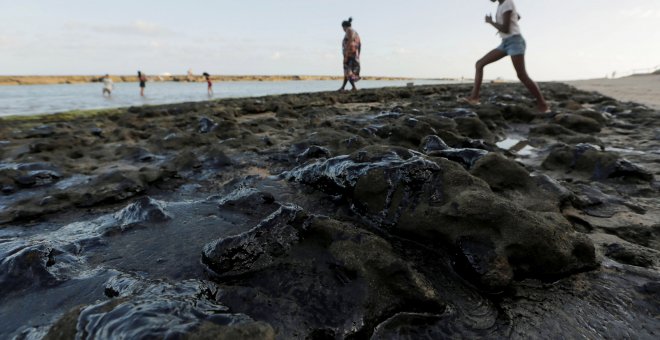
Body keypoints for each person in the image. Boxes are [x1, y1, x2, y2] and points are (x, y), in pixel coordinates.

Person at [461, 0, 549, 113]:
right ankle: (474, 98)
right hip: (505, 43)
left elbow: (506, 29)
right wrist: (512, 21)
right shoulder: (501, 5)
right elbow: (517, 16)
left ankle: (543, 105)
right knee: (479, 64)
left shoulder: (507, 2)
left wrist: (490, 21)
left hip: (515, 42)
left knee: (522, 75)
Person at [339, 17, 361, 92]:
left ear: (344, 26)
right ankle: (343, 87)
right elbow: (360, 44)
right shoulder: (356, 33)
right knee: (347, 71)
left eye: (342, 28)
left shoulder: (349, 30)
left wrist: (346, 53)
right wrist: (358, 55)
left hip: (349, 54)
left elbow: (350, 40)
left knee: (348, 71)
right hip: (354, 54)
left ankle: (354, 87)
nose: (343, 29)